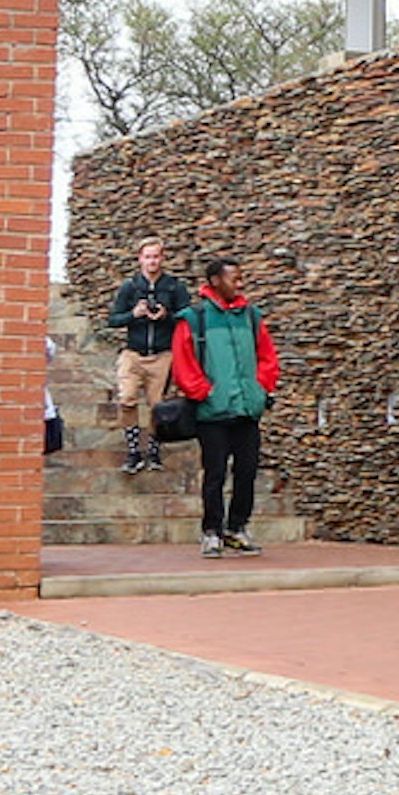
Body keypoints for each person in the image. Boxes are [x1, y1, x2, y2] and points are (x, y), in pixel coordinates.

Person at [168, 254, 279, 559]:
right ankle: (211, 531)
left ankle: (237, 528)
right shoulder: (194, 317)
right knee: (214, 473)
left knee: (247, 471)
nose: (240, 283)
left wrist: (261, 389)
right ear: (215, 281)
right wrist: (204, 393)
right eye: (234, 278)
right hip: (212, 412)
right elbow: (183, 362)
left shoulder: (251, 316)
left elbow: (268, 357)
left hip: (246, 409)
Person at [105, 238, 190, 475]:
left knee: (158, 407)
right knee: (127, 398)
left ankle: (153, 449)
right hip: (134, 352)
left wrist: (166, 315)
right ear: (140, 259)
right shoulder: (130, 287)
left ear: (162, 258)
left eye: (156, 256)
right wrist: (134, 314)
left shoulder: (174, 287)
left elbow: (188, 317)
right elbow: (113, 320)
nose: (152, 261)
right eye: (148, 257)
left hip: (162, 354)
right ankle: (133, 450)